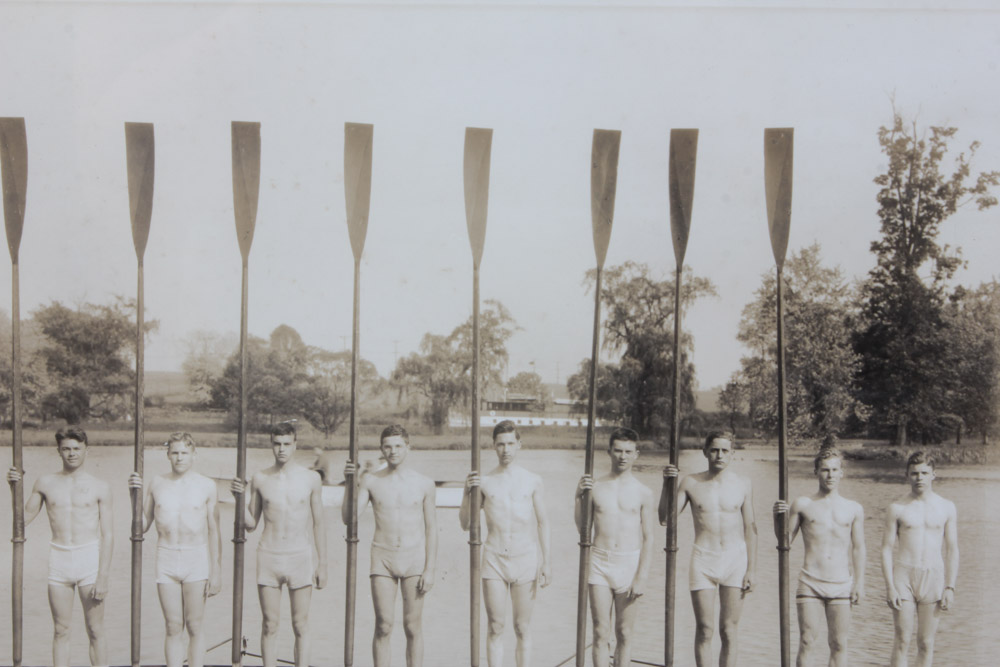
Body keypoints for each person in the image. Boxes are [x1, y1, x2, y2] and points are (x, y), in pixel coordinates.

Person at [6, 428, 113, 667]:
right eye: (66, 449)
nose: (72, 454)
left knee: (95, 629)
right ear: (58, 451)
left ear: (86, 450)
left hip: (89, 561)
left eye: (76, 449)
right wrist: (14, 487)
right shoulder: (45, 482)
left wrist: (103, 575)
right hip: (60, 560)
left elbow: (108, 535)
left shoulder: (100, 486)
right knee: (61, 630)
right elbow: (21, 521)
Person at [231, 422, 327, 667]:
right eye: (277, 444)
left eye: (286, 444)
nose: (281, 449)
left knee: (300, 624)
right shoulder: (260, 478)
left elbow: (319, 524)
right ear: (271, 445)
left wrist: (322, 564)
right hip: (269, 556)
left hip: (299, 556)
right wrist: (239, 499)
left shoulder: (311, 478)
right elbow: (250, 524)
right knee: (269, 624)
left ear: (295, 445)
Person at [343, 424, 437, 667]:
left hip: (414, 559)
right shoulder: (371, 481)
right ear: (381, 449)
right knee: (383, 625)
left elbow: (431, 529)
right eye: (388, 447)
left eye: (398, 446)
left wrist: (430, 569)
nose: (393, 451)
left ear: (408, 447)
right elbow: (349, 518)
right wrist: (350, 483)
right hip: (383, 558)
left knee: (412, 626)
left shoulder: (424, 483)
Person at [660, 431, 757, 667]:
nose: (719, 455)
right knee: (705, 629)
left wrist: (751, 569)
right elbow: (665, 519)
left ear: (732, 453)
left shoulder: (743, 483)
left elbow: (751, 528)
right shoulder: (691, 482)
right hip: (704, 559)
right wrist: (667, 484)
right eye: (714, 450)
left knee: (729, 629)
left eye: (724, 450)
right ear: (705, 452)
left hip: (735, 560)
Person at [460, 420, 552, 667]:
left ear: (519, 444)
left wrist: (547, 562)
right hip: (494, 559)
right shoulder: (485, 481)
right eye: (501, 444)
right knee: (495, 626)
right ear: (494, 446)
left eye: (511, 443)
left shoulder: (533, 480)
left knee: (522, 626)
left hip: (525, 558)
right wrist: (466, 493)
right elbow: (466, 524)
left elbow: (543, 523)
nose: (506, 450)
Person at [128, 433, 221, 667]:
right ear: (168, 455)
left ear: (194, 455)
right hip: (166, 558)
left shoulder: (207, 485)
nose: (179, 458)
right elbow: (141, 526)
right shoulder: (157, 483)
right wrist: (133, 497)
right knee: (172, 625)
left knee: (194, 625)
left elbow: (214, 531)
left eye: (184, 453)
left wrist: (216, 571)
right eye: (175, 453)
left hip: (195, 559)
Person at [772, 447, 865, 666]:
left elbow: (859, 548)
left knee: (839, 643)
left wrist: (859, 582)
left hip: (841, 583)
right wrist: (777, 518)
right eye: (825, 470)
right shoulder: (803, 504)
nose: (830, 475)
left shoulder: (853, 508)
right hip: (810, 582)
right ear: (816, 472)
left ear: (842, 472)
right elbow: (785, 542)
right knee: (807, 641)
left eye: (834, 470)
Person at [575, 427, 655, 667]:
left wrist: (642, 576)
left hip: (629, 564)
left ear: (636, 454)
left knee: (624, 632)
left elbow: (649, 537)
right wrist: (578, 497)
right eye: (618, 450)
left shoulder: (644, 492)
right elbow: (583, 529)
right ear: (609, 451)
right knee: (600, 631)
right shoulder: (596, 487)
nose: (622, 456)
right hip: (600, 563)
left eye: (628, 452)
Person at [881, 451, 959, 667]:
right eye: (914, 473)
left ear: (934, 474)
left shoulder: (946, 507)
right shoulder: (897, 508)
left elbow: (952, 549)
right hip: (904, 576)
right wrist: (890, 587)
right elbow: (886, 549)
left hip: (933, 576)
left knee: (925, 642)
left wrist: (950, 587)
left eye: (924, 473)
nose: (919, 478)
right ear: (907, 475)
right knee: (902, 640)